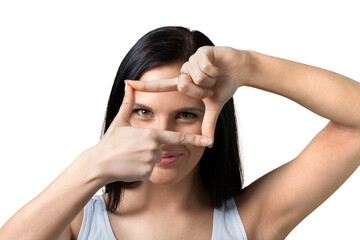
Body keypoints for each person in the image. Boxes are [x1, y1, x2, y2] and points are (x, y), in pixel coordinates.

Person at [0, 26, 359, 240]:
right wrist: (94, 165)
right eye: (143, 112)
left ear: (215, 121)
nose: (162, 134)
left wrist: (252, 67)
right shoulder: (78, 222)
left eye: (186, 114)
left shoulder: (251, 221)